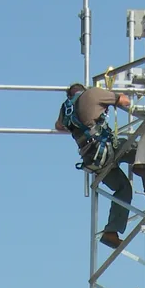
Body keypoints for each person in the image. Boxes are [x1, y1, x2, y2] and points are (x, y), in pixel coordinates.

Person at [55, 83, 135, 249]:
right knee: (143, 150)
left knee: (123, 189)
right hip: (106, 149)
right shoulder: (92, 94)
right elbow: (124, 101)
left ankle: (111, 232)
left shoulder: (66, 109)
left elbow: (59, 126)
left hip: (93, 160)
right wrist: (109, 99)